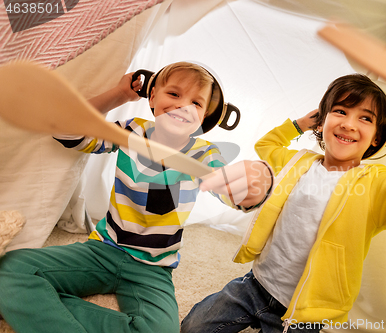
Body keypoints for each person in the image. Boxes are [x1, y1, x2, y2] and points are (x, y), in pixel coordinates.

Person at [180, 73, 386, 333]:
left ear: (376, 137)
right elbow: (266, 144)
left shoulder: (376, 184)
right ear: (323, 122)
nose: (348, 123)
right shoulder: (297, 161)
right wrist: (300, 124)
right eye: (341, 112)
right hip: (255, 284)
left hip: (306, 313)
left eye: (365, 118)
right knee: (193, 327)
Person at [0, 62, 273, 333]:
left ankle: (39, 307)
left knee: (161, 330)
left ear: (204, 118)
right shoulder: (132, 130)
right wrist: (120, 95)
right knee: (9, 269)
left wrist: (255, 184)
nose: (184, 107)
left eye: (196, 103)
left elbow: (236, 196)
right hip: (101, 250)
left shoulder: (205, 154)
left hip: (153, 268)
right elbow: (67, 130)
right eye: (174, 94)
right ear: (152, 97)